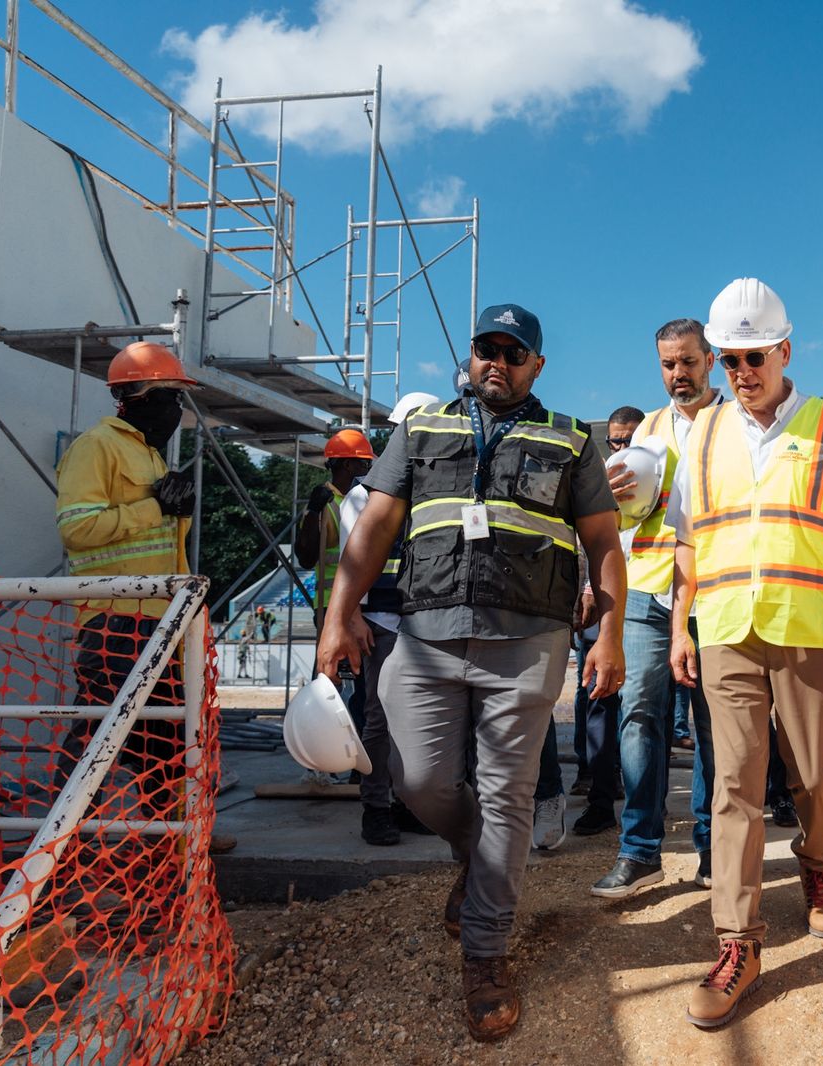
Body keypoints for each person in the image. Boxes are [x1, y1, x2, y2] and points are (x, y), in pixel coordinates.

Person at [316, 303, 625, 1043]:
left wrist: (609, 634)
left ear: (537, 366)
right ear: (471, 354)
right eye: (487, 348)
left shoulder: (572, 438)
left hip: (530, 640)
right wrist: (339, 614)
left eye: (514, 353)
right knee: (418, 781)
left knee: (507, 794)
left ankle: (486, 956)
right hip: (426, 635)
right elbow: (376, 526)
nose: (499, 361)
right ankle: (476, 859)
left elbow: (606, 545)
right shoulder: (420, 430)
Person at [670, 278, 823, 1028]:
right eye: (729, 360)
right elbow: (687, 539)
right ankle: (739, 942)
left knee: (820, 775)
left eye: (753, 357)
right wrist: (680, 625)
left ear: (785, 351)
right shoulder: (701, 433)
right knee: (734, 782)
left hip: (816, 629)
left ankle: (819, 863)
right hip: (727, 624)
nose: (741, 374)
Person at [53, 341, 235, 854]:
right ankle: (59, 850)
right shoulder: (98, 446)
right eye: (168, 396)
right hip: (114, 622)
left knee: (163, 744)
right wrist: (155, 507)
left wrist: (173, 510)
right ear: (133, 395)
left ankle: (172, 844)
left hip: (158, 625)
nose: (176, 410)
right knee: (101, 742)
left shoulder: (148, 453)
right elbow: (78, 529)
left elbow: (159, 547)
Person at [591, 325, 725, 898]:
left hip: (718, 592)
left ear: (711, 360)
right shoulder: (647, 427)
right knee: (639, 716)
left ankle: (714, 851)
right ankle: (639, 849)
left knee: (716, 728)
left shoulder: (738, 423)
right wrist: (617, 503)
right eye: (668, 365)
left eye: (688, 362)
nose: (678, 375)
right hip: (650, 589)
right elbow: (624, 521)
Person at [340, 391, 439, 846]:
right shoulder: (364, 496)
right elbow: (353, 561)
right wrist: (352, 617)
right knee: (379, 721)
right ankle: (375, 808)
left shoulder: (437, 491)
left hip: (423, 623)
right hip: (380, 621)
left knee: (418, 722)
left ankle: (405, 803)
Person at [567, 407, 642, 841]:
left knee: (641, 711)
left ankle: (636, 801)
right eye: (614, 440)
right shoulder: (596, 477)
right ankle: (599, 794)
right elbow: (588, 542)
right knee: (596, 698)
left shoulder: (655, 476)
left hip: (646, 605)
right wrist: (589, 593)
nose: (621, 448)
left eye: (629, 439)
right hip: (602, 606)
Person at [295, 430, 375, 628]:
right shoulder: (326, 504)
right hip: (332, 604)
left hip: (365, 601)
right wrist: (313, 512)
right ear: (348, 465)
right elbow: (306, 559)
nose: (369, 469)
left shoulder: (367, 500)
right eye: (365, 464)